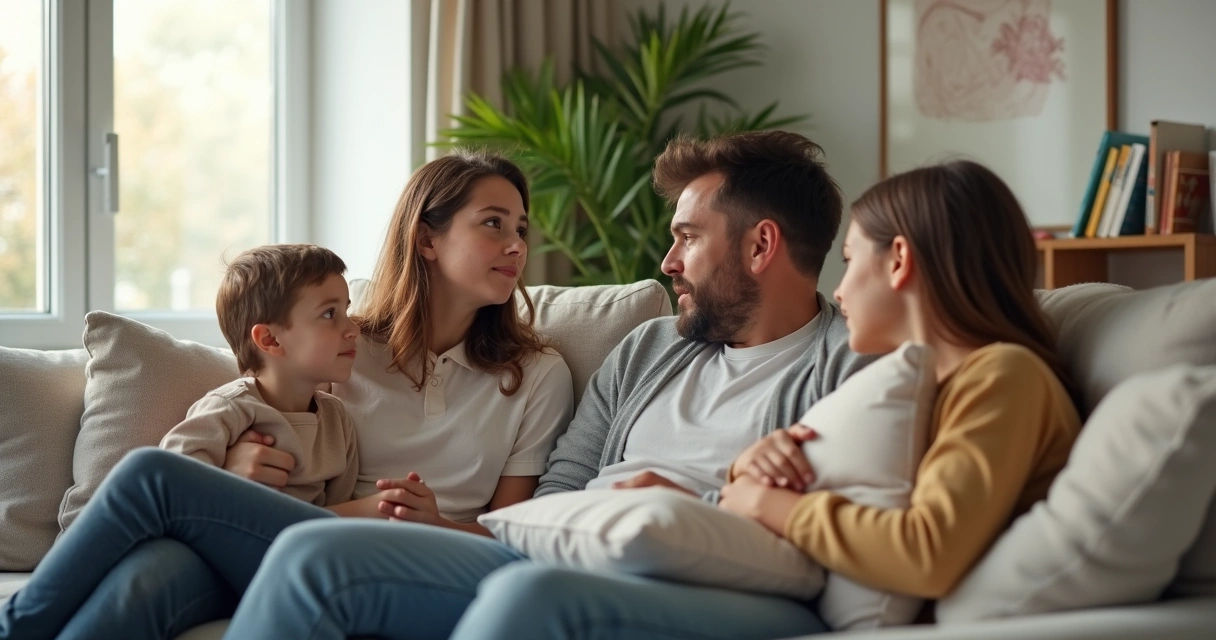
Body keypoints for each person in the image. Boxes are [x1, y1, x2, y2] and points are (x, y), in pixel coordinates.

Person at [220, 130, 872, 640]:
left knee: (529, 595)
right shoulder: (651, 347)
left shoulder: (851, 365)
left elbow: (838, 524)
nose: (667, 263)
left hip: (710, 581)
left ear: (761, 247)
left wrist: (695, 500)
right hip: (571, 548)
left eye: (688, 238)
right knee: (315, 554)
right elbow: (558, 493)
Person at [456, 159, 1083, 638]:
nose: (837, 291)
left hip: (740, 579)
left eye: (848, 260)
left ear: (898, 262)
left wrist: (751, 498)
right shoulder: (919, 388)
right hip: (613, 543)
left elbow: (924, 549)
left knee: (527, 599)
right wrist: (749, 471)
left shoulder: (1000, 378)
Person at [0, 151, 574, 640]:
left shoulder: (536, 374)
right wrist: (234, 468)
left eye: (522, 229)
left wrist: (438, 525)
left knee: (153, 476)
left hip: (420, 554)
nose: (517, 245)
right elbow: (271, 408)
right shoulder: (344, 344)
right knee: (148, 576)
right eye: (493, 224)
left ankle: (15, 625)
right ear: (426, 239)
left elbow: (514, 529)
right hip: (293, 526)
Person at [156, 244, 363, 510]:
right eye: (329, 313)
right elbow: (167, 481)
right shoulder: (231, 407)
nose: (353, 329)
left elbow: (337, 517)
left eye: (346, 311)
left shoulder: (337, 419)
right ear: (270, 339)